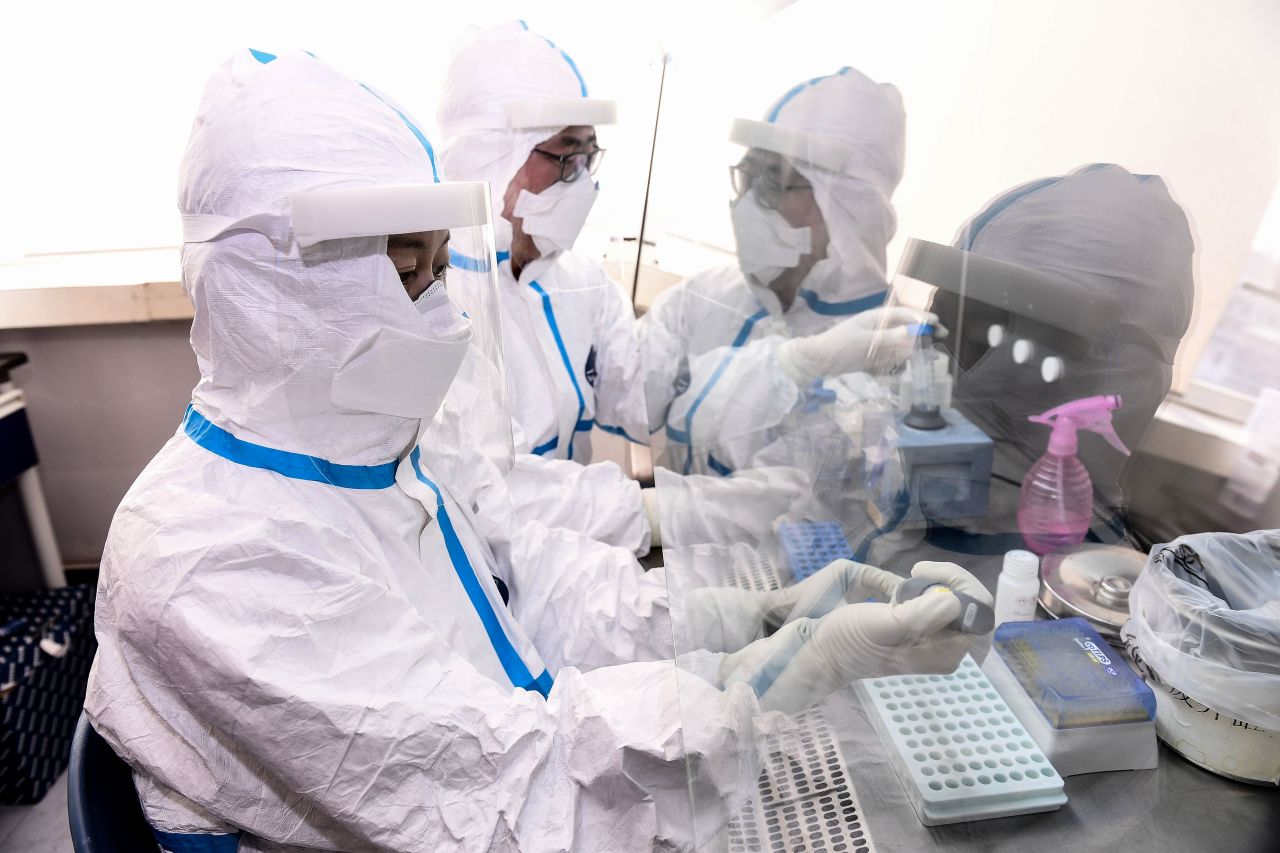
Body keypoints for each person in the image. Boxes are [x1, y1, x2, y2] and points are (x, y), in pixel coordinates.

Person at [85, 49, 992, 852]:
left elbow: (527, 588)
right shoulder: (213, 557)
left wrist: (748, 621)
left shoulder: (378, 461)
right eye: (407, 273)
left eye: (441, 265)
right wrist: (772, 686)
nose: (441, 311)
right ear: (269, 284)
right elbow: (522, 798)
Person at [641, 66, 927, 479]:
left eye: (774, 182)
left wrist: (650, 517)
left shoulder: (885, 350)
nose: (748, 204)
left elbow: (787, 506)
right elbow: (628, 395)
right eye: (749, 176)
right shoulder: (707, 294)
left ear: (843, 206)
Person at [929, 163, 1195, 515]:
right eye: (979, 321)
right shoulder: (889, 473)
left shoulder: (1081, 564)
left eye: (1050, 341)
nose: (985, 372)